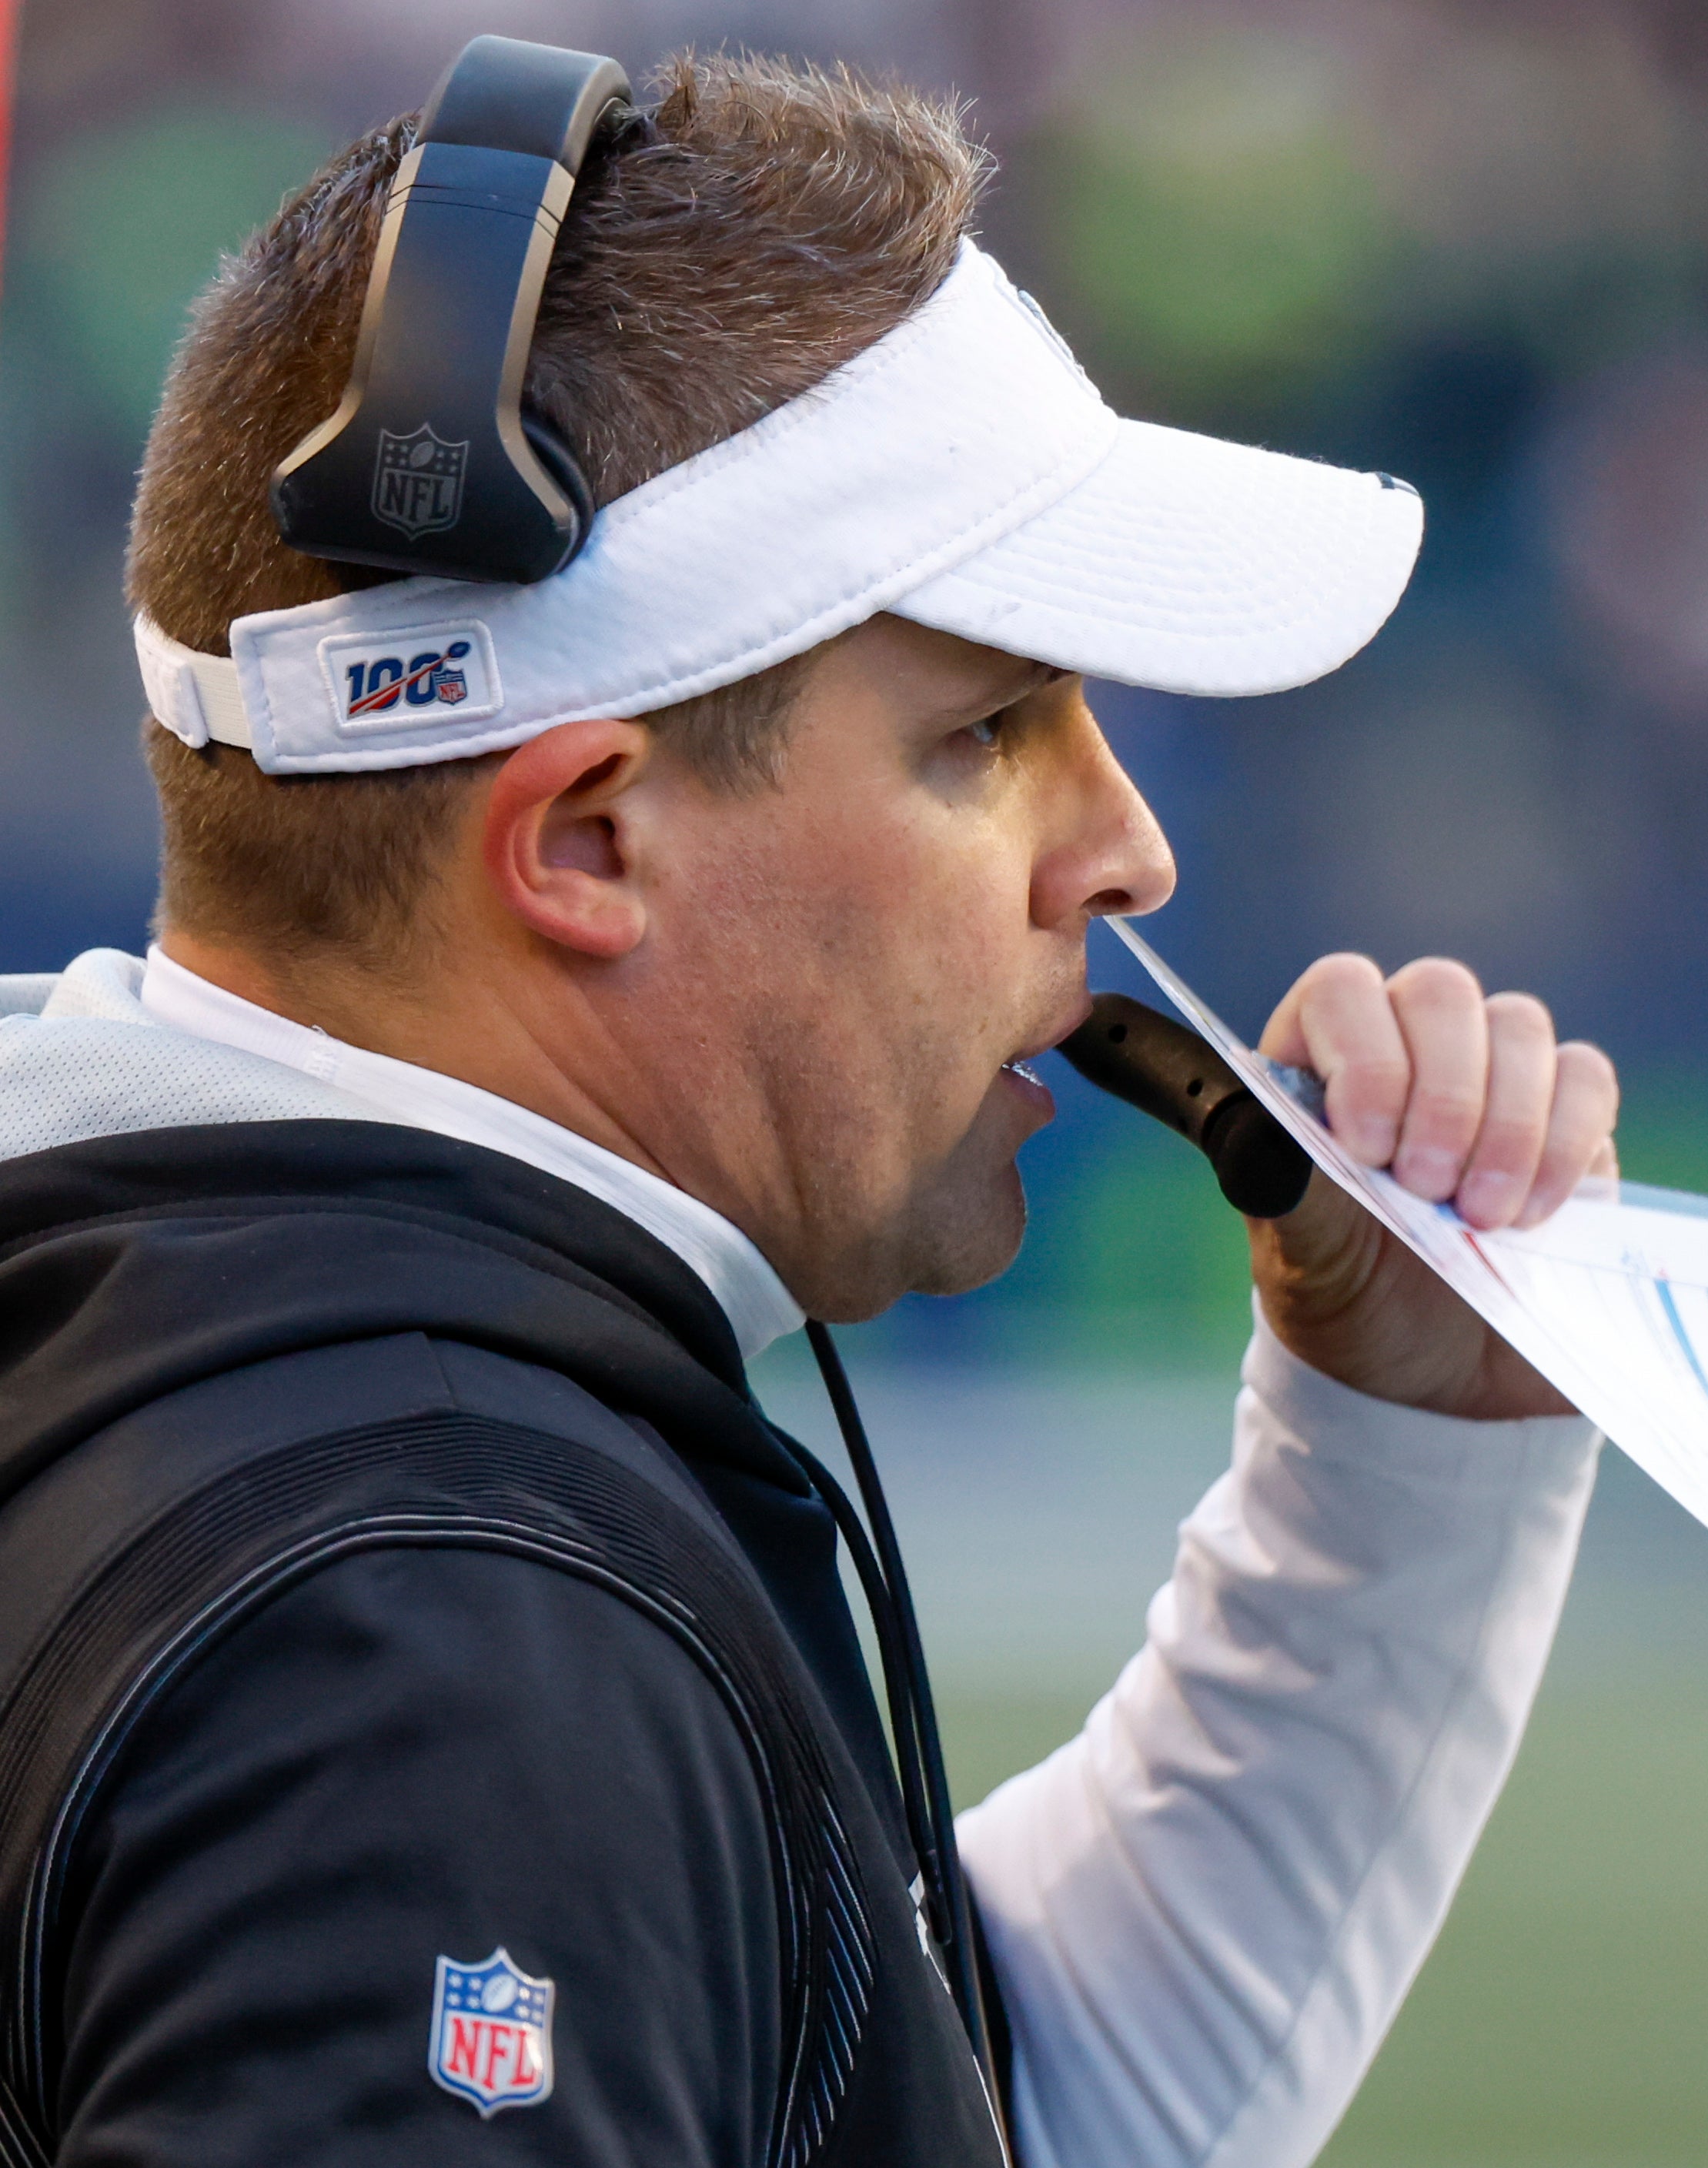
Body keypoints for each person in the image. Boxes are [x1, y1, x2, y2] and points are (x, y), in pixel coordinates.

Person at [0, 47, 1617, 2168]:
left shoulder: (188, 1346)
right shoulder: (436, 1640)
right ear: (584, 840)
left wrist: (1403, 1466)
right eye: (988, 727)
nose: (1125, 848)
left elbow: (926, 2099)